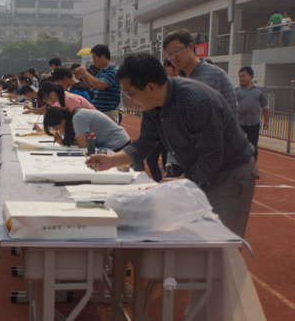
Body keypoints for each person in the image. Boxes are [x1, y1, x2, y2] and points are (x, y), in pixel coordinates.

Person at [86, 54, 257, 238]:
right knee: (191, 233)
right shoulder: (152, 105)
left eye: (130, 94)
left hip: (229, 173)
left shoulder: (197, 102)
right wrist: (112, 160)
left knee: (220, 240)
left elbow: (211, 157)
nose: (129, 100)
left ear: (151, 87)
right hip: (201, 169)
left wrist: (177, 185)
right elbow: (144, 143)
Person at [163, 29, 238, 118]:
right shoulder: (177, 81)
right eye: (169, 54)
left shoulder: (216, 75)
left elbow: (231, 115)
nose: (173, 57)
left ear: (190, 47)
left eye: (176, 51)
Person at [43, 107, 131, 151]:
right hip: (116, 141)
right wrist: (63, 142)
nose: (58, 130)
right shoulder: (77, 115)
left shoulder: (78, 118)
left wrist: (65, 143)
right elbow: (84, 140)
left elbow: (83, 147)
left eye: (56, 128)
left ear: (62, 121)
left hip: (118, 144)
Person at [74, 44, 121, 124]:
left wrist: (86, 74)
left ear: (103, 56)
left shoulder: (113, 71)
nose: (93, 61)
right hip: (100, 112)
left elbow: (100, 85)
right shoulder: (102, 71)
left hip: (107, 113)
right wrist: (84, 75)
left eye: (94, 57)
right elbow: (92, 86)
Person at [235, 67, 269, 163]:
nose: (241, 78)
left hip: (254, 123)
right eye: (240, 76)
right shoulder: (235, 90)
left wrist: (266, 121)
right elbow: (230, 105)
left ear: (251, 76)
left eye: (244, 76)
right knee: (238, 146)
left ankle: (252, 169)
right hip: (239, 123)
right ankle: (239, 169)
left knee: (253, 146)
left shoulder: (259, 89)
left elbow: (265, 105)